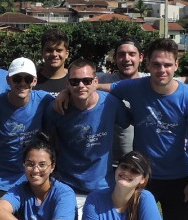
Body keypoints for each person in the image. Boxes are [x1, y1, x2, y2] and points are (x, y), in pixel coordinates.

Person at [106, 38, 188, 220]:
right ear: (148, 63)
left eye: (168, 65)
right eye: (157, 64)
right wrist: (65, 92)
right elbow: (99, 87)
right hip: (142, 177)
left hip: (178, 179)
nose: (162, 70)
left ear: (176, 65)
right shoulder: (134, 87)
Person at [42, 58, 128, 208]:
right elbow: (46, 140)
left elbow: (127, 121)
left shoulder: (111, 103)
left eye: (87, 81)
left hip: (102, 186)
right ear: (67, 83)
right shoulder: (56, 109)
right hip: (67, 186)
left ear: (95, 81)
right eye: (75, 82)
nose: (81, 86)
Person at [0, 58, 54, 198]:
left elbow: (69, 99)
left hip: (33, 178)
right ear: (8, 80)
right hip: (1, 181)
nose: (22, 83)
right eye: (17, 78)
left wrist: (65, 94)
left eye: (27, 79)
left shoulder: (44, 100)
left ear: (34, 81)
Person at [98, 37, 146, 161]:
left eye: (132, 54)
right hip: (109, 162)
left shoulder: (151, 81)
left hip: (144, 163)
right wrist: (65, 92)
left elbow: (181, 81)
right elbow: (77, 78)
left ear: (140, 57)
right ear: (114, 58)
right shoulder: (102, 80)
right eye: (121, 54)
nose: (126, 59)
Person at [35, 29, 71, 93]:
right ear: (42, 53)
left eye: (59, 50)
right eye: (49, 50)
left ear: (67, 54)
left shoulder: (75, 81)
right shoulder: (29, 80)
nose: (54, 54)